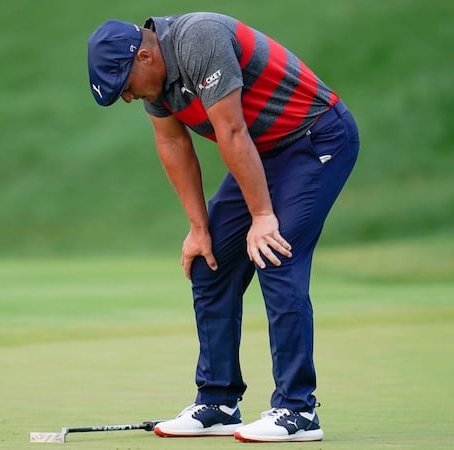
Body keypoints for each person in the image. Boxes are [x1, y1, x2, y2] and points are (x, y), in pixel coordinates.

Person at [87, 12, 359, 443]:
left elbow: (231, 130)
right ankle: (218, 402)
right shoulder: (156, 78)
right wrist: (199, 228)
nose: (127, 98)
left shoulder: (199, 39)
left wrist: (263, 216)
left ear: (143, 55)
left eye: (126, 87)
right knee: (208, 262)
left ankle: (298, 411)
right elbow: (172, 142)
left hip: (314, 138)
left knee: (274, 253)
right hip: (263, 151)